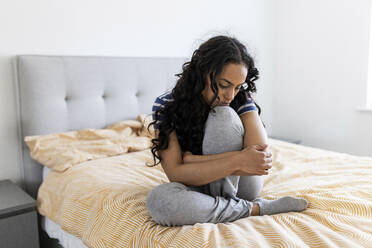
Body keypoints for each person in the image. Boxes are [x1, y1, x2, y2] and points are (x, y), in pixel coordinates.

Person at [146, 35, 308, 227]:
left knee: (223, 116)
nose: (230, 95)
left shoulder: (241, 99)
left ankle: (221, 206)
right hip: (196, 185)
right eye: (224, 85)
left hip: (241, 186)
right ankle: (255, 209)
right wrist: (239, 159)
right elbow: (175, 174)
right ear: (202, 73)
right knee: (158, 201)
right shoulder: (166, 105)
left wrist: (191, 160)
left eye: (238, 87)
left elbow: (259, 161)